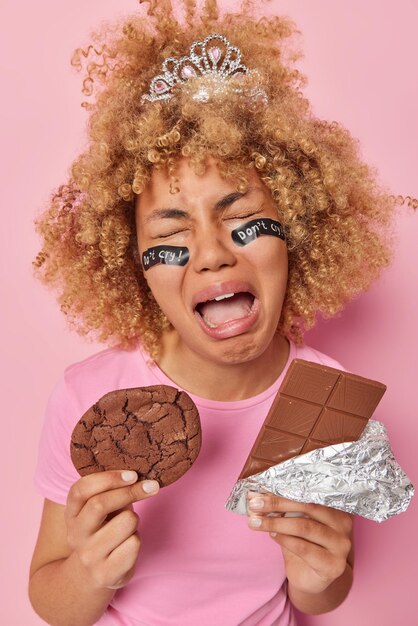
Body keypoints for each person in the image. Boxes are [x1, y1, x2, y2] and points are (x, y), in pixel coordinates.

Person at [28, 1, 399, 624]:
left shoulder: (326, 395)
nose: (210, 254)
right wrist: (89, 575)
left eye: (242, 220)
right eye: (172, 233)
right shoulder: (89, 395)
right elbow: (50, 600)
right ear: (132, 265)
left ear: (298, 234)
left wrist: (323, 575)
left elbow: (323, 592)